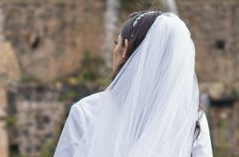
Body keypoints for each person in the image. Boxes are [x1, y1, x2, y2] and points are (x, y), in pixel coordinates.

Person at [54, 10, 213, 157]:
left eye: (116, 43)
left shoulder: (86, 111)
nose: (113, 50)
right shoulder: (190, 119)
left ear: (125, 50)